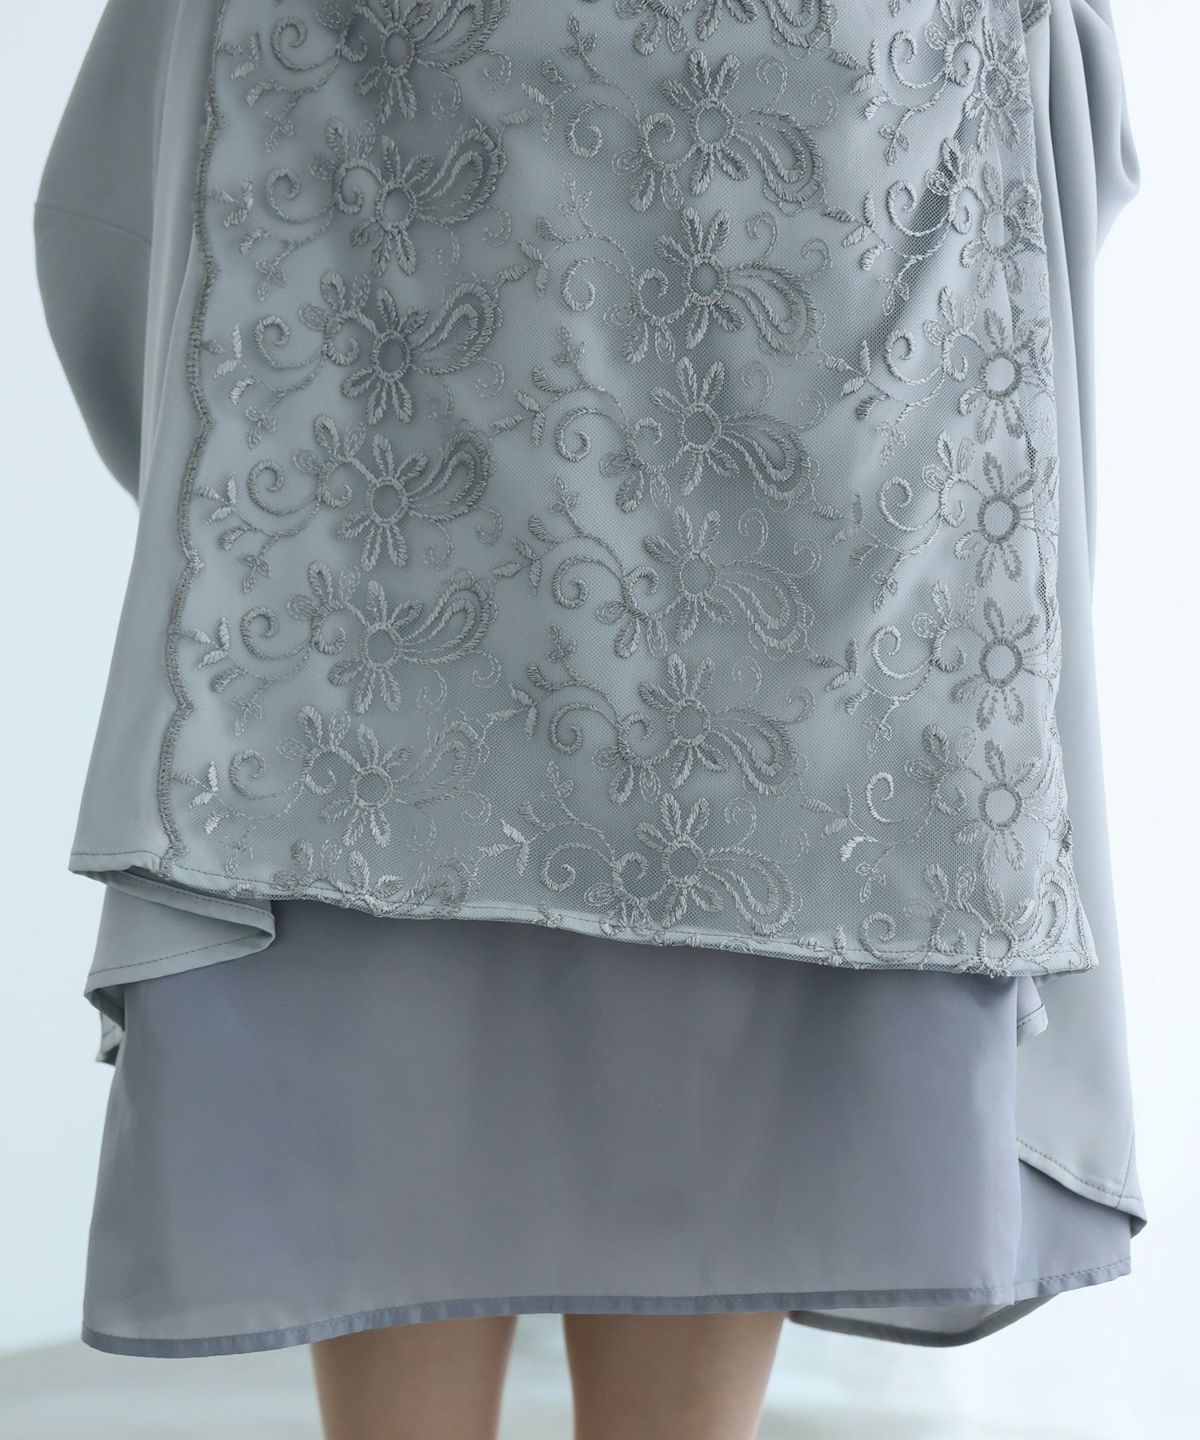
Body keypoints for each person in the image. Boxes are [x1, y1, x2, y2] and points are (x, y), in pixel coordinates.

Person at [35, 3, 1145, 1436]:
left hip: (383, 555)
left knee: (396, 900)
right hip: (816, 364)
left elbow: (132, 225)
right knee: (727, 944)